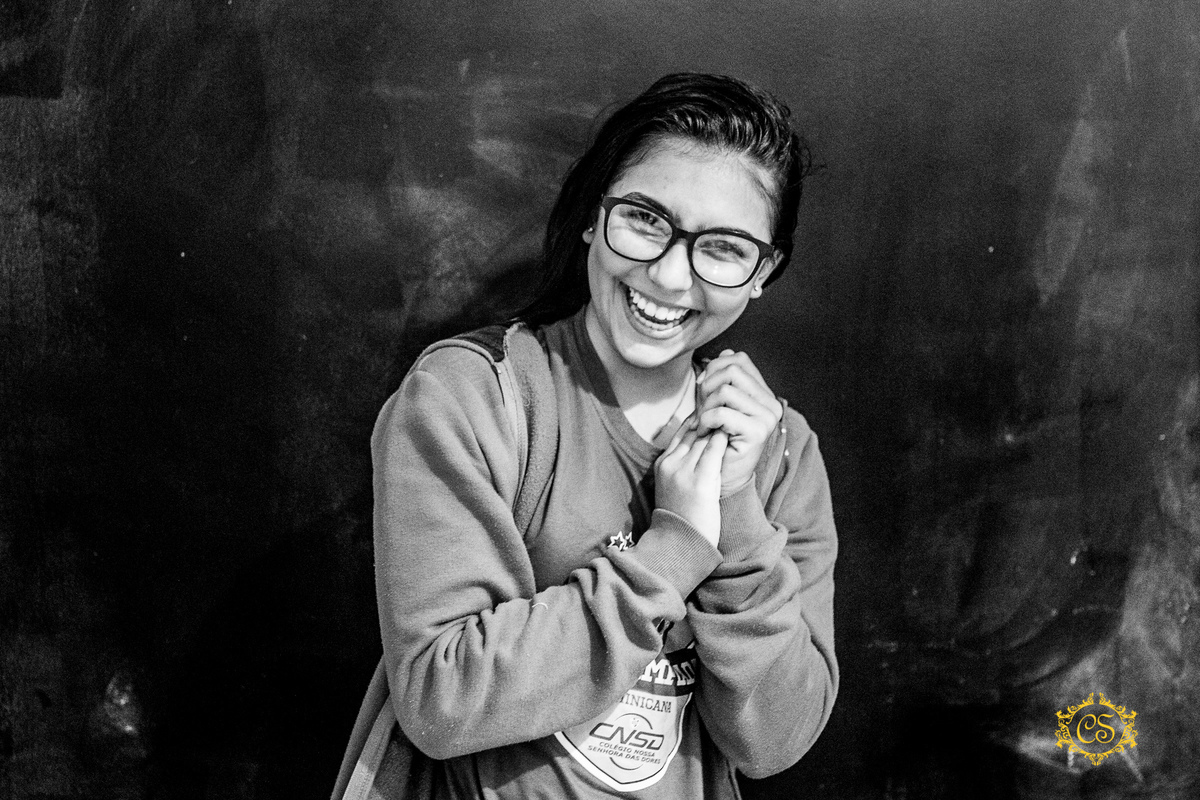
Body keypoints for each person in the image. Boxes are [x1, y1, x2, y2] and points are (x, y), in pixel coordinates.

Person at [370, 72, 837, 799]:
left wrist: (737, 512)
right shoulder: (475, 395)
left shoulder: (782, 451)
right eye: (646, 220)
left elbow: (774, 740)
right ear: (595, 215)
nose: (671, 276)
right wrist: (676, 548)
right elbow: (442, 698)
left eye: (723, 248)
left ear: (762, 273)